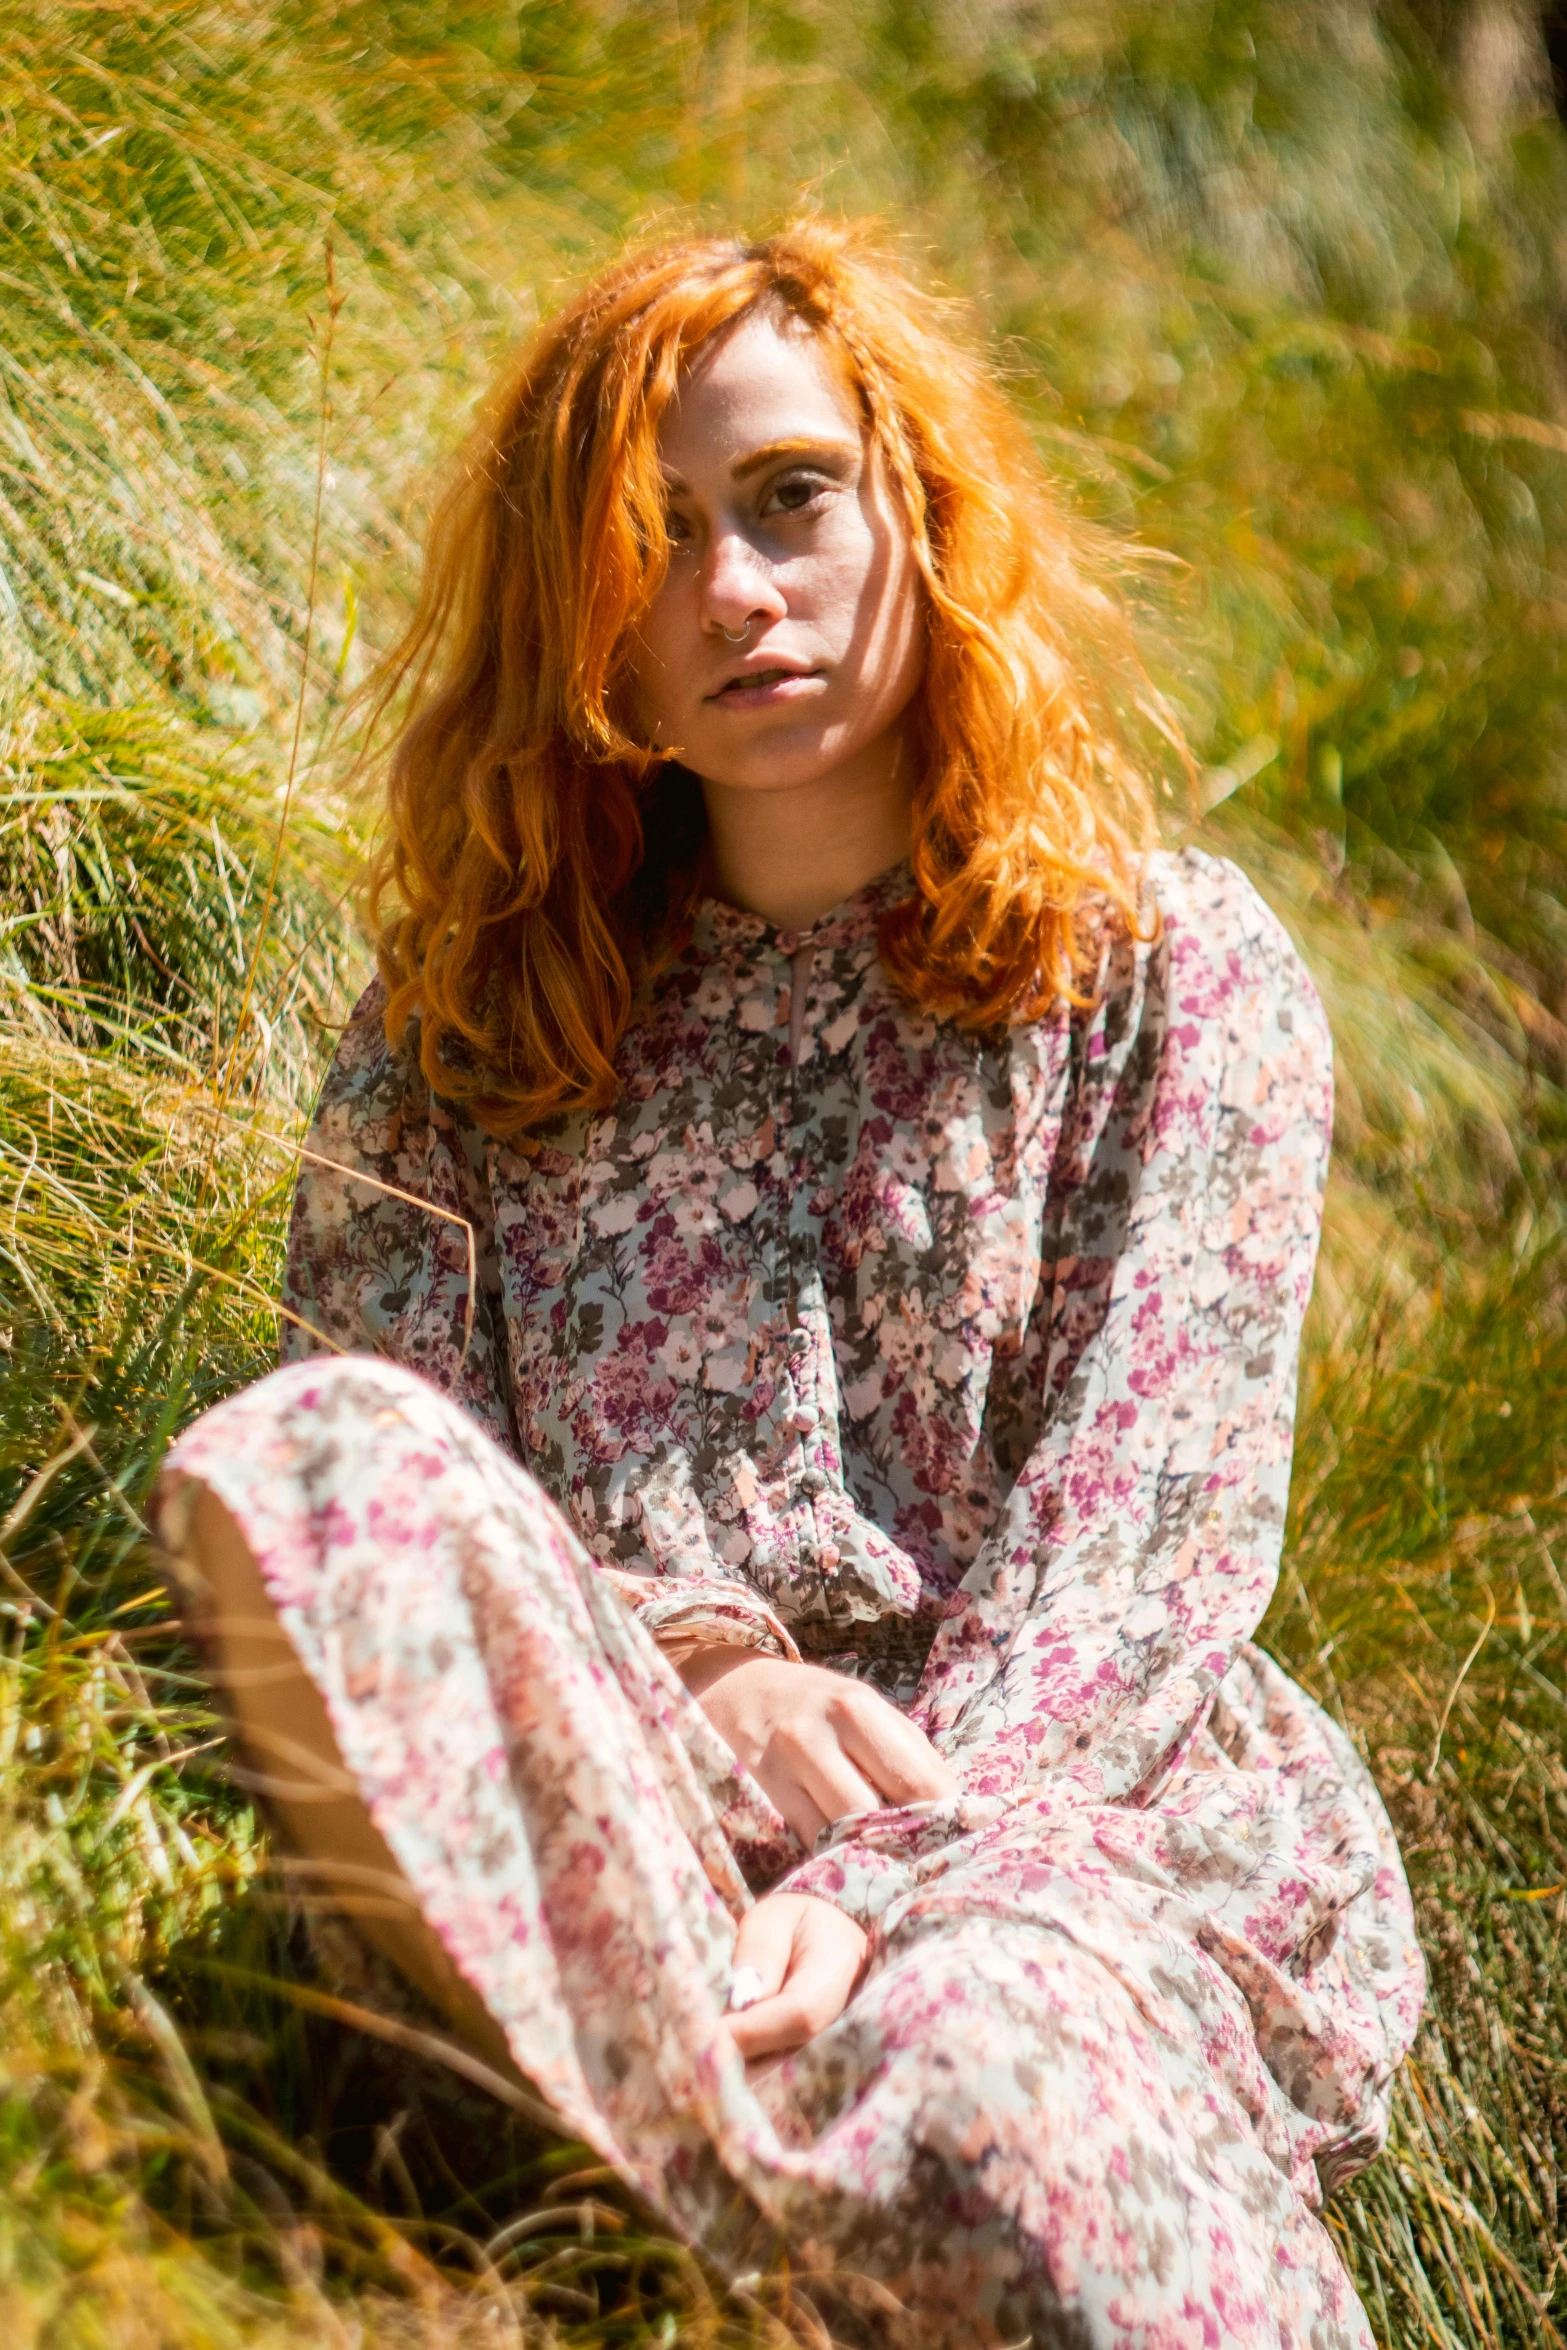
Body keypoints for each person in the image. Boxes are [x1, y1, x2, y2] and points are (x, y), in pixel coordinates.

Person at [155, 221, 1424, 2348]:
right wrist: (700, 1670)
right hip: (615, 1849)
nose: (730, 588)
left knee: (985, 2049)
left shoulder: (1175, 978)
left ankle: (725, 2176)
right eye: (646, 543)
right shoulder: (464, 1030)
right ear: (582, 629)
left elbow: (1137, 1564)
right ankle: (707, 2151)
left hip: (1047, 1830)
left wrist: (880, 1879)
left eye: (791, 498)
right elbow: (401, 1490)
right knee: (304, 1451)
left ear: (914, 507)